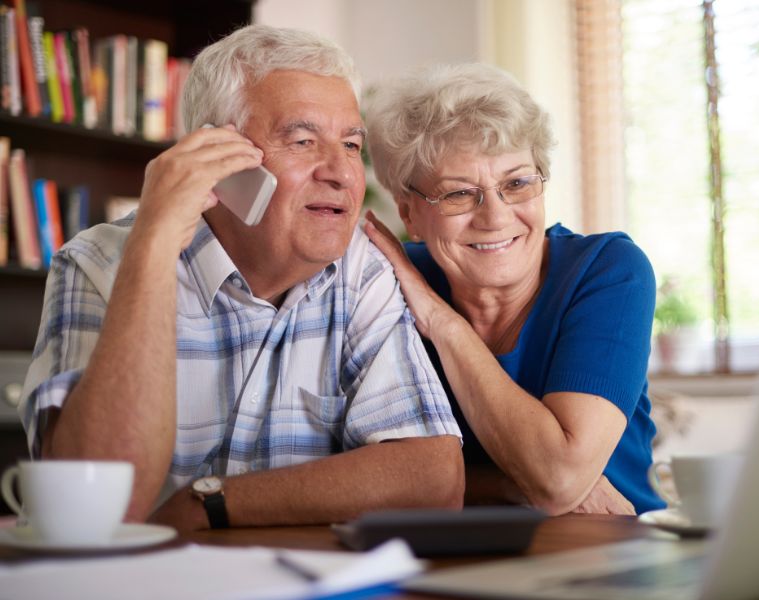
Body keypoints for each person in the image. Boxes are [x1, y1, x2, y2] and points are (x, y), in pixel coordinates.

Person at [18, 25, 463, 532]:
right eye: (302, 140)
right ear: (219, 161)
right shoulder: (100, 263)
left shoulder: (362, 270)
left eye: (350, 144)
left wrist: (207, 502)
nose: (341, 172)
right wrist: (154, 248)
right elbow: (93, 509)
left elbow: (432, 477)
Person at [364, 62, 665, 515]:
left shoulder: (607, 271)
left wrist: (444, 324)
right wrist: (509, 485)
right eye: (458, 193)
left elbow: (557, 478)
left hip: (618, 548)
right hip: (456, 559)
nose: (496, 217)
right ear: (409, 216)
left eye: (517, 183)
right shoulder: (387, 283)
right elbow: (347, 463)